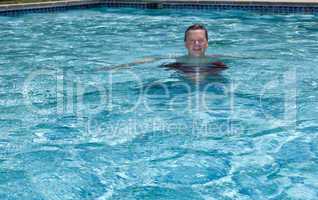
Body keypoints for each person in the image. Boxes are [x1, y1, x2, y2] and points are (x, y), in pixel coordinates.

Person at [99, 24, 227, 76]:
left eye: (200, 40)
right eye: (192, 40)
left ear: (207, 43)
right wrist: (121, 66)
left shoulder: (217, 62)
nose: (196, 44)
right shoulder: (176, 61)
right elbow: (152, 59)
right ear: (185, 44)